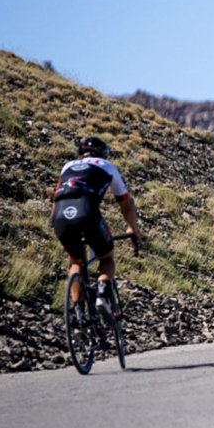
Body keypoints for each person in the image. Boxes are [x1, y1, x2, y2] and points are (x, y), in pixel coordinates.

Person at [51, 136, 143, 318]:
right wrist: (134, 229)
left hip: (60, 217)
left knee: (76, 262)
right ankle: (102, 294)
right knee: (107, 258)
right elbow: (125, 204)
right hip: (87, 213)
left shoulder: (67, 166)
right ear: (103, 153)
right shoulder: (107, 166)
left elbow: (56, 199)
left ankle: (77, 312)